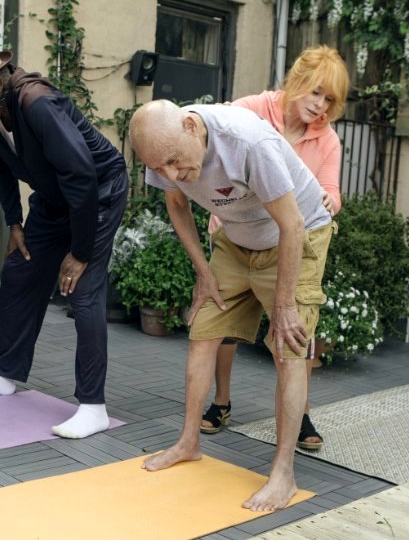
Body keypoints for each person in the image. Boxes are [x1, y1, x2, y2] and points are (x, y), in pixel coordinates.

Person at [129, 99, 334, 511]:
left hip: (295, 238)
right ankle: (188, 442)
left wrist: (283, 305)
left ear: (191, 126)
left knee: (288, 347)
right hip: (236, 241)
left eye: (173, 162)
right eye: (158, 168)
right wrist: (203, 271)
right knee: (202, 333)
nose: (170, 175)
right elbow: (177, 205)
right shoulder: (162, 146)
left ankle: (283, 473)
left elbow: (292, 224)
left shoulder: (248, 142)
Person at [0, 37, 128, 439]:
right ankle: (4, 372)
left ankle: (93, 407)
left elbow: (81, 176)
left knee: (84, 292)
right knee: (19, 272)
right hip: (56, 199)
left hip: (98, 194)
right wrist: (16, 223)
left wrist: (79, 251)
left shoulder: (37, 103)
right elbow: (1, 170)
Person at [203, 46, 350, 452]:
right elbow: (214, 139)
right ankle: (220, 402)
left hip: (289, 241)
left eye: (329, 99)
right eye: (315, 93)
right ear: (296, 81)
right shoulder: (253, 108)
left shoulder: (327, 140)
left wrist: (328, 201)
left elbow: (333, 193)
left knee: (296, 331)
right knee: (223, 327)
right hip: (236, 235)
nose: (320, 106)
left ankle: (300, 414)